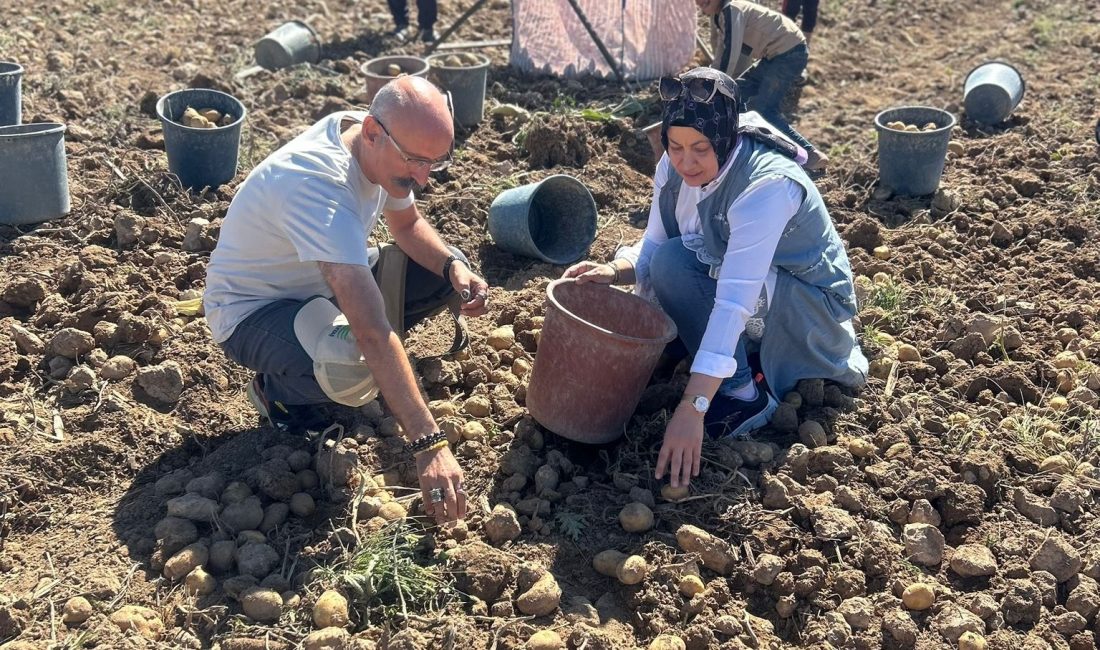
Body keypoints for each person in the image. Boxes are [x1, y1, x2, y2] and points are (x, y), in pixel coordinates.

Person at [563, 68, 867, 489]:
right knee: (670, 262)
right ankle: (725, 360)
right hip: (750, 285)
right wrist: (614, 271)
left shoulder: (767, 185)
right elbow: (654, 243)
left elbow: (733, 301)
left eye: (700, 148)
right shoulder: (675, 169)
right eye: (675, 146)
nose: (686, 161)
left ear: (724, 138)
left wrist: (695, 403)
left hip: (808, 308)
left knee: (676, 266)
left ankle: (744, 393)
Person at [204, 76, 488, 523]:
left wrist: (453, 266)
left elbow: (409, 227)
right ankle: (275, 392)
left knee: (446, 267)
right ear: (374, 131)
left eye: (434, 163)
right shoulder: (318, 186)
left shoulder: (370, 140)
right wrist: (429, 442)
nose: (423, 177)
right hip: (254, 310)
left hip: (321, 287)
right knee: (354, 360)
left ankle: (377, 368)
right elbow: (371, 330)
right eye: (415, 161)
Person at [695, 0, 828, 170]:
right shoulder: (720, 14)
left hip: (789, 52)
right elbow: (721, 52)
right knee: (738, 94)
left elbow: (731, 54)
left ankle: (810, 155)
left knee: (764, 109)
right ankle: (750, 150)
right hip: (774, 55)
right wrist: (709, 79)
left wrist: (716, 86)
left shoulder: (731, 9)